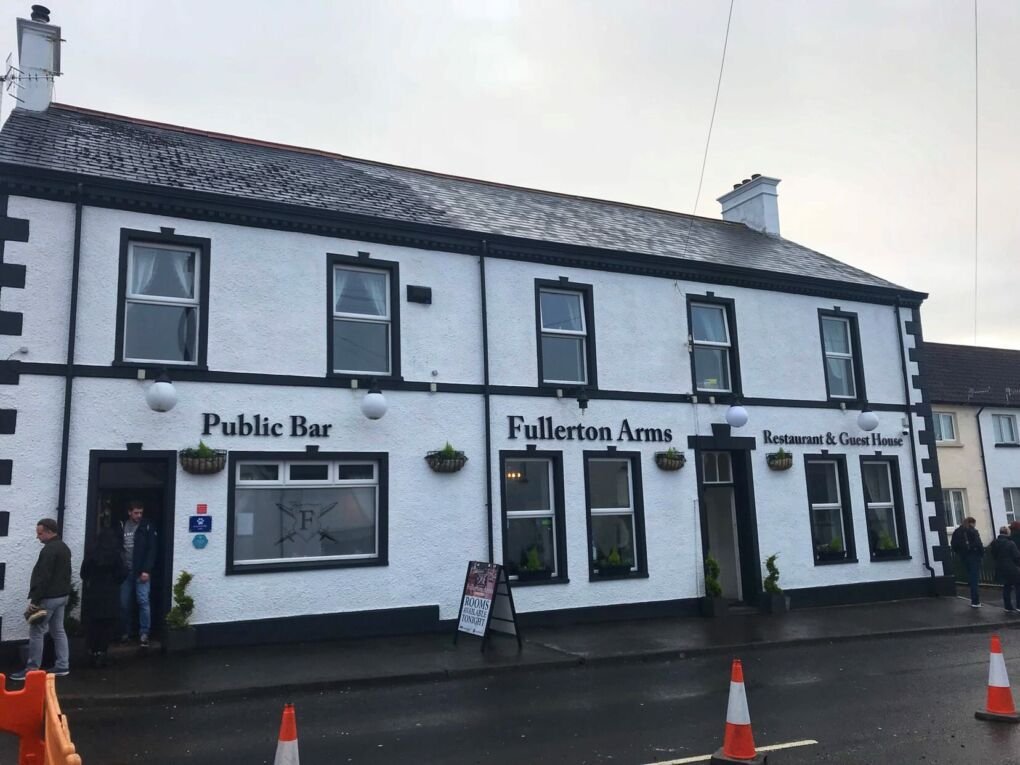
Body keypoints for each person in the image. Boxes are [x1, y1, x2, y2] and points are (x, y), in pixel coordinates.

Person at [10, 518, 72, 680]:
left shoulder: (49, 550)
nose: (38, 536)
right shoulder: (64, 547)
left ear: (49, 532)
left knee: (36, 631)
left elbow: (44, 577)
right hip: (62, 596)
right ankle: (62, 665)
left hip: (48, 597)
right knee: (58, 630)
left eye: (40, 533)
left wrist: (35, 601)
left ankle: (32, 669)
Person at [80, 527, 128, 666]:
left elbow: (84, 573)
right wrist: (116, 582)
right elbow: (123, 572)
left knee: (94, 624)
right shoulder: (116, 554)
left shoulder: (92, 553)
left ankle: (92, 651)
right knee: (107, 625)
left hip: (94, 591)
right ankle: (102, 652)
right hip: (111, 593)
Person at [119, 501, 158, 647]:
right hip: (126, 571)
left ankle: (144, 633)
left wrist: (147, 570)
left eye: (141, 512)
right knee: (124, 603)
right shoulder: (122, 526)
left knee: (143, 601)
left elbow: (151, 549)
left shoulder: (147, 526)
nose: (139, 516)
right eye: (136, 513)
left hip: (141, 571)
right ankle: (125, 632)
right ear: (129, 512)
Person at [951, 516, 984, 607]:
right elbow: (979, 544)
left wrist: (960, 553)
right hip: (974, 556)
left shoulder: (957, 531)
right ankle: (975, 601)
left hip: (964, 557)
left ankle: (975, 601)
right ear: (972, 523)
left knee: (971, 577)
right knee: (974, 579)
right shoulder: (973, 531)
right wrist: (981, 554)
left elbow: (953, 545)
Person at [990, 526, 1020, 612]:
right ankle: (1019, 606)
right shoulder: (1010, 543)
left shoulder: (994, 543)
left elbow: (993, 555)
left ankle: (1007, 606)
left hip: (1000, 567)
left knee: (1007, 586)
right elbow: (1016, 556)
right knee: (1018, 585)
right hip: (1011, 567)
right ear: (1007, 532)